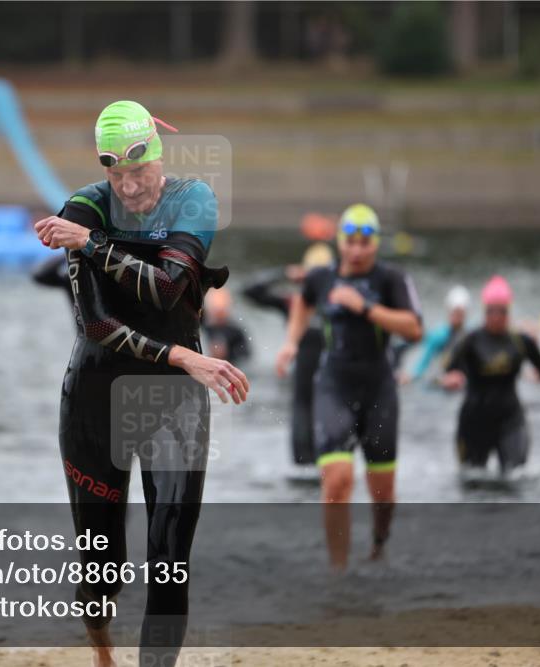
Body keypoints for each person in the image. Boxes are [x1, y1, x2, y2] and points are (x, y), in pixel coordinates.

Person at [33, 100, 249, 667]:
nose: (129, 187)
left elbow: (169, 289)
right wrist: (184, 356)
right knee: (101, 569)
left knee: (170, 559)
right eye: (116, 175)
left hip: (175, 400)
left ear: (158, 155)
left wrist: (90, 243)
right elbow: (97, 325)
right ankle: (102, 650)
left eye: (139, 171)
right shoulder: (83, 207)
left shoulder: (193, 200)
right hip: (95, 398)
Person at [276, 204, 422, 570]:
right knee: (338, 481)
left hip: (379, 388)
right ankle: (338, 572)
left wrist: (365, 307)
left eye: (364, 243)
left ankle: (378, 544)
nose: (357, 250)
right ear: (340, 241)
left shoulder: (391, 279)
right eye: (350, 241)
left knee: (383, 492)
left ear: (376, 244)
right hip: (334, 385)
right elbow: (302, 305)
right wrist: (291, 342)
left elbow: (414, 329)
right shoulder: (321, 278)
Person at [440, 275, 540, 477]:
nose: (496, 316)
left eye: (501, 311)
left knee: (516, 477)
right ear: (485, 311)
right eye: (491, 311)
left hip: (510, 420)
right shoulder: (470, 341)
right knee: (472, 480)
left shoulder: (520, 342)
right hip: (474, 423)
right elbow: (446, 372)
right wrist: (449, 381)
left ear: (508, 311)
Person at [244, 243, 333, 466]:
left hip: (332, 376)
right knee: (302, 414)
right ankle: (303, 466)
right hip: (303, 377)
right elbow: (250, 291)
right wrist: (283, 273)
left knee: (328, 417)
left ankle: (330, 462)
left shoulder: (338, 301)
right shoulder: (293, 302)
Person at [401, 285, 470, 387]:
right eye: (455, 312)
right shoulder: (439, 335)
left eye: (460, 313)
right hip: (438, 380)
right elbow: (424, 359)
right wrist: (412, 375)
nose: (457, 316)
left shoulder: (469, 335)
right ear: (449, 311)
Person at [202, 287, 251, 365]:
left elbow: (245, 356)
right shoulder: (203, 326)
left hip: (228, 363)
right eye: (216, 311)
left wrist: (226, 354)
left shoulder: (236, 331)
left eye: (221, 312)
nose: (219, 315)